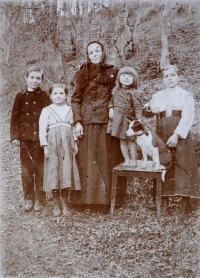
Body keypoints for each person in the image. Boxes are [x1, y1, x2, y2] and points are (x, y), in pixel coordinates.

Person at [71, 41, 126, 210]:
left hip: (106, 122)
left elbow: (118, 94)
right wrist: (77, 121)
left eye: (97, 51)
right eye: (91, 52)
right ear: (87, 55)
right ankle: (83, 201)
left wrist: (111, 109)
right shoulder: (81, 72)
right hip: (86, 121)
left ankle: (106, 202)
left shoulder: (113, 72)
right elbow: (75, 99)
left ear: (103, 52)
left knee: (106, 160)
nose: (94, 54)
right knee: (85, 161)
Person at [144, 64, 200, 217]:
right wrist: (148, 108)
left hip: (179, 135)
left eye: (172, 75)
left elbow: (188, 116)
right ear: (163, 79)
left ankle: (184, 202)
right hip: (162, 134)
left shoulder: (186, 95)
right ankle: (164, 201)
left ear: (178, 77)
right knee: (163, 164)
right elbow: (148, 111)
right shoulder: (158, 95)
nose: (169, 79)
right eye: (166, 76)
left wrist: (176, 135)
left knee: (183, 164)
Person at [10, 65, 51, 211]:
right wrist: (15, 136)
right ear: (26, 78)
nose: (34, 80)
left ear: (41, 80)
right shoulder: (20, 96)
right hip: (25, 138)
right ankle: (29, 198)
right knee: (26, 170)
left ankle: (40, 198)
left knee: (40, 169)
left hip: (40, 138)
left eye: (38, 78)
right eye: (32, 77)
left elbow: (49, 116)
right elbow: (15, 117)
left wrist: (48, 136)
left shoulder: (45, 96)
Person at [39, 84, 81, 217]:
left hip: (67, 144)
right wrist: (45, 147)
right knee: (54, 171)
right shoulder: (46, 110)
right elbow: (42, 129)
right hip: (52, 144)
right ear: (50, 96)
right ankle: (56, 202)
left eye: (61, 93)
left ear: (66, 95)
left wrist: (75, 143)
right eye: (55, 94)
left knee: (66, 171)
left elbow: (73, 127)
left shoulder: (69, 109)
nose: (58, 96)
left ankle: (64, 201)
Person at [107, 67, 142, 167]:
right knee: (122, 140)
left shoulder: (134, 92)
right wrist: (110, 109)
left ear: (134, 79)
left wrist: (139, 119)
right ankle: (126, 159)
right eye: (124, 75)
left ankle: (133, 159)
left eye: (130, 76)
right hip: (118, 119)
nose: (126, 78)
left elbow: (138, 106)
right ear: (119, 78)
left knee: (131, 140)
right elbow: (111, 101)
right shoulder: (116, 90)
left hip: (128, 120)